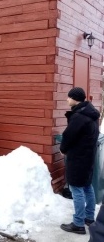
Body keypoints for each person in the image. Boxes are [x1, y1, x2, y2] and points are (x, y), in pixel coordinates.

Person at [59, 87, 100, 235]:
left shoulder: (79, 116)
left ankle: (78, 223)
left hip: (78, 158)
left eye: (69, 97)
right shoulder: (92, 113)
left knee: (76, 189)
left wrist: (63, 149)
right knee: (87, 186)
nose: (67, 99)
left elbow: (68, 136)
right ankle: (89, 218)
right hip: (88, 157)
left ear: (75, 98)